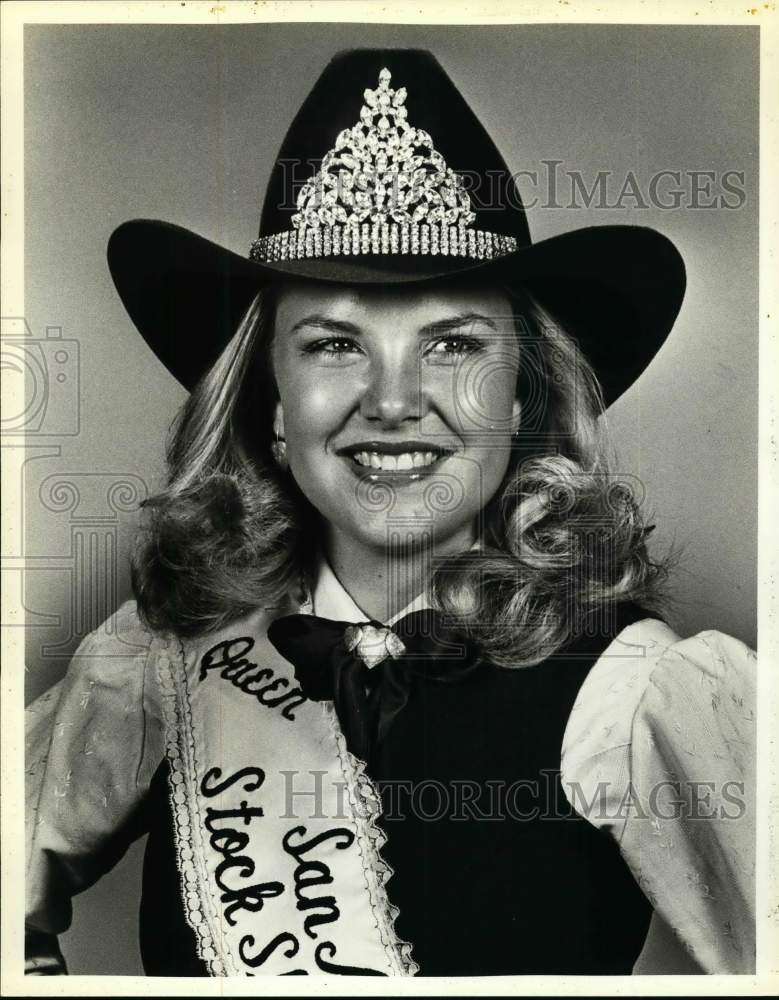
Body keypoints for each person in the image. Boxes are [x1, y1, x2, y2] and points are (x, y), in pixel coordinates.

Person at [25, 48, 756, 977]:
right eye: (334, 344)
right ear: (272, 403)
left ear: (525, 398)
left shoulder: (642, 689)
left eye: (452, 345)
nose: (394, 400)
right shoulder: (157, 661)